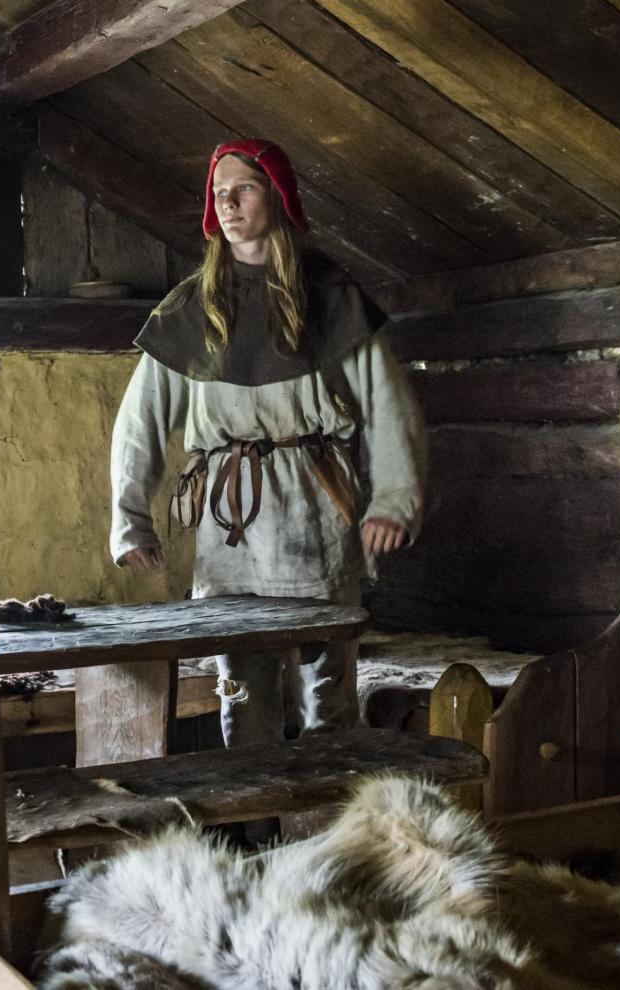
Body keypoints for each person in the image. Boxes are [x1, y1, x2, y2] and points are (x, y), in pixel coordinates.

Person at [109, 139, 427, 747]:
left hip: (314, 504)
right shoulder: (190, 308)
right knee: (241, 687)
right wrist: (130, 522)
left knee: (325, 685)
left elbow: (390, 407)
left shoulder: (331, 299)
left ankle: (328, 821)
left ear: (276, 197)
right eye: (218, 193)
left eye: (244, 188)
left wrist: (393, 500)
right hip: (229, 520)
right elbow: (141, 422)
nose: (227, 203)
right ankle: (254, 826)